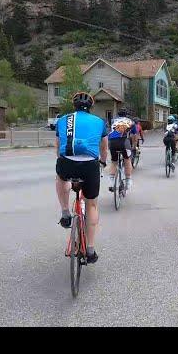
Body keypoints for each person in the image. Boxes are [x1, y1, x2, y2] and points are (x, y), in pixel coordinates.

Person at [55, 92, 108, 264]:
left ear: (74, 106)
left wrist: (62, 161)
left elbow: (58, 147)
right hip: (90, 165)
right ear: (91, 107)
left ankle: (65, 212)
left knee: (61, 178)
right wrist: (103, 162)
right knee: (92, 203)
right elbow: (104, 148)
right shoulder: (100, 122)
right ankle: (90, 250)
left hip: (67, 162)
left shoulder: (63, 120)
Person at [107, 107, 138, 191]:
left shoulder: (113, 121)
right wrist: (134, 146)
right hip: (124, 142)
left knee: (114, 162)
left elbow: (111, 131)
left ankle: (111, 182)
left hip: (112, 142)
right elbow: (134, 136)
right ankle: (128, 181)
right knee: (127, 160)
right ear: (126, 115)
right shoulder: (131, 122)